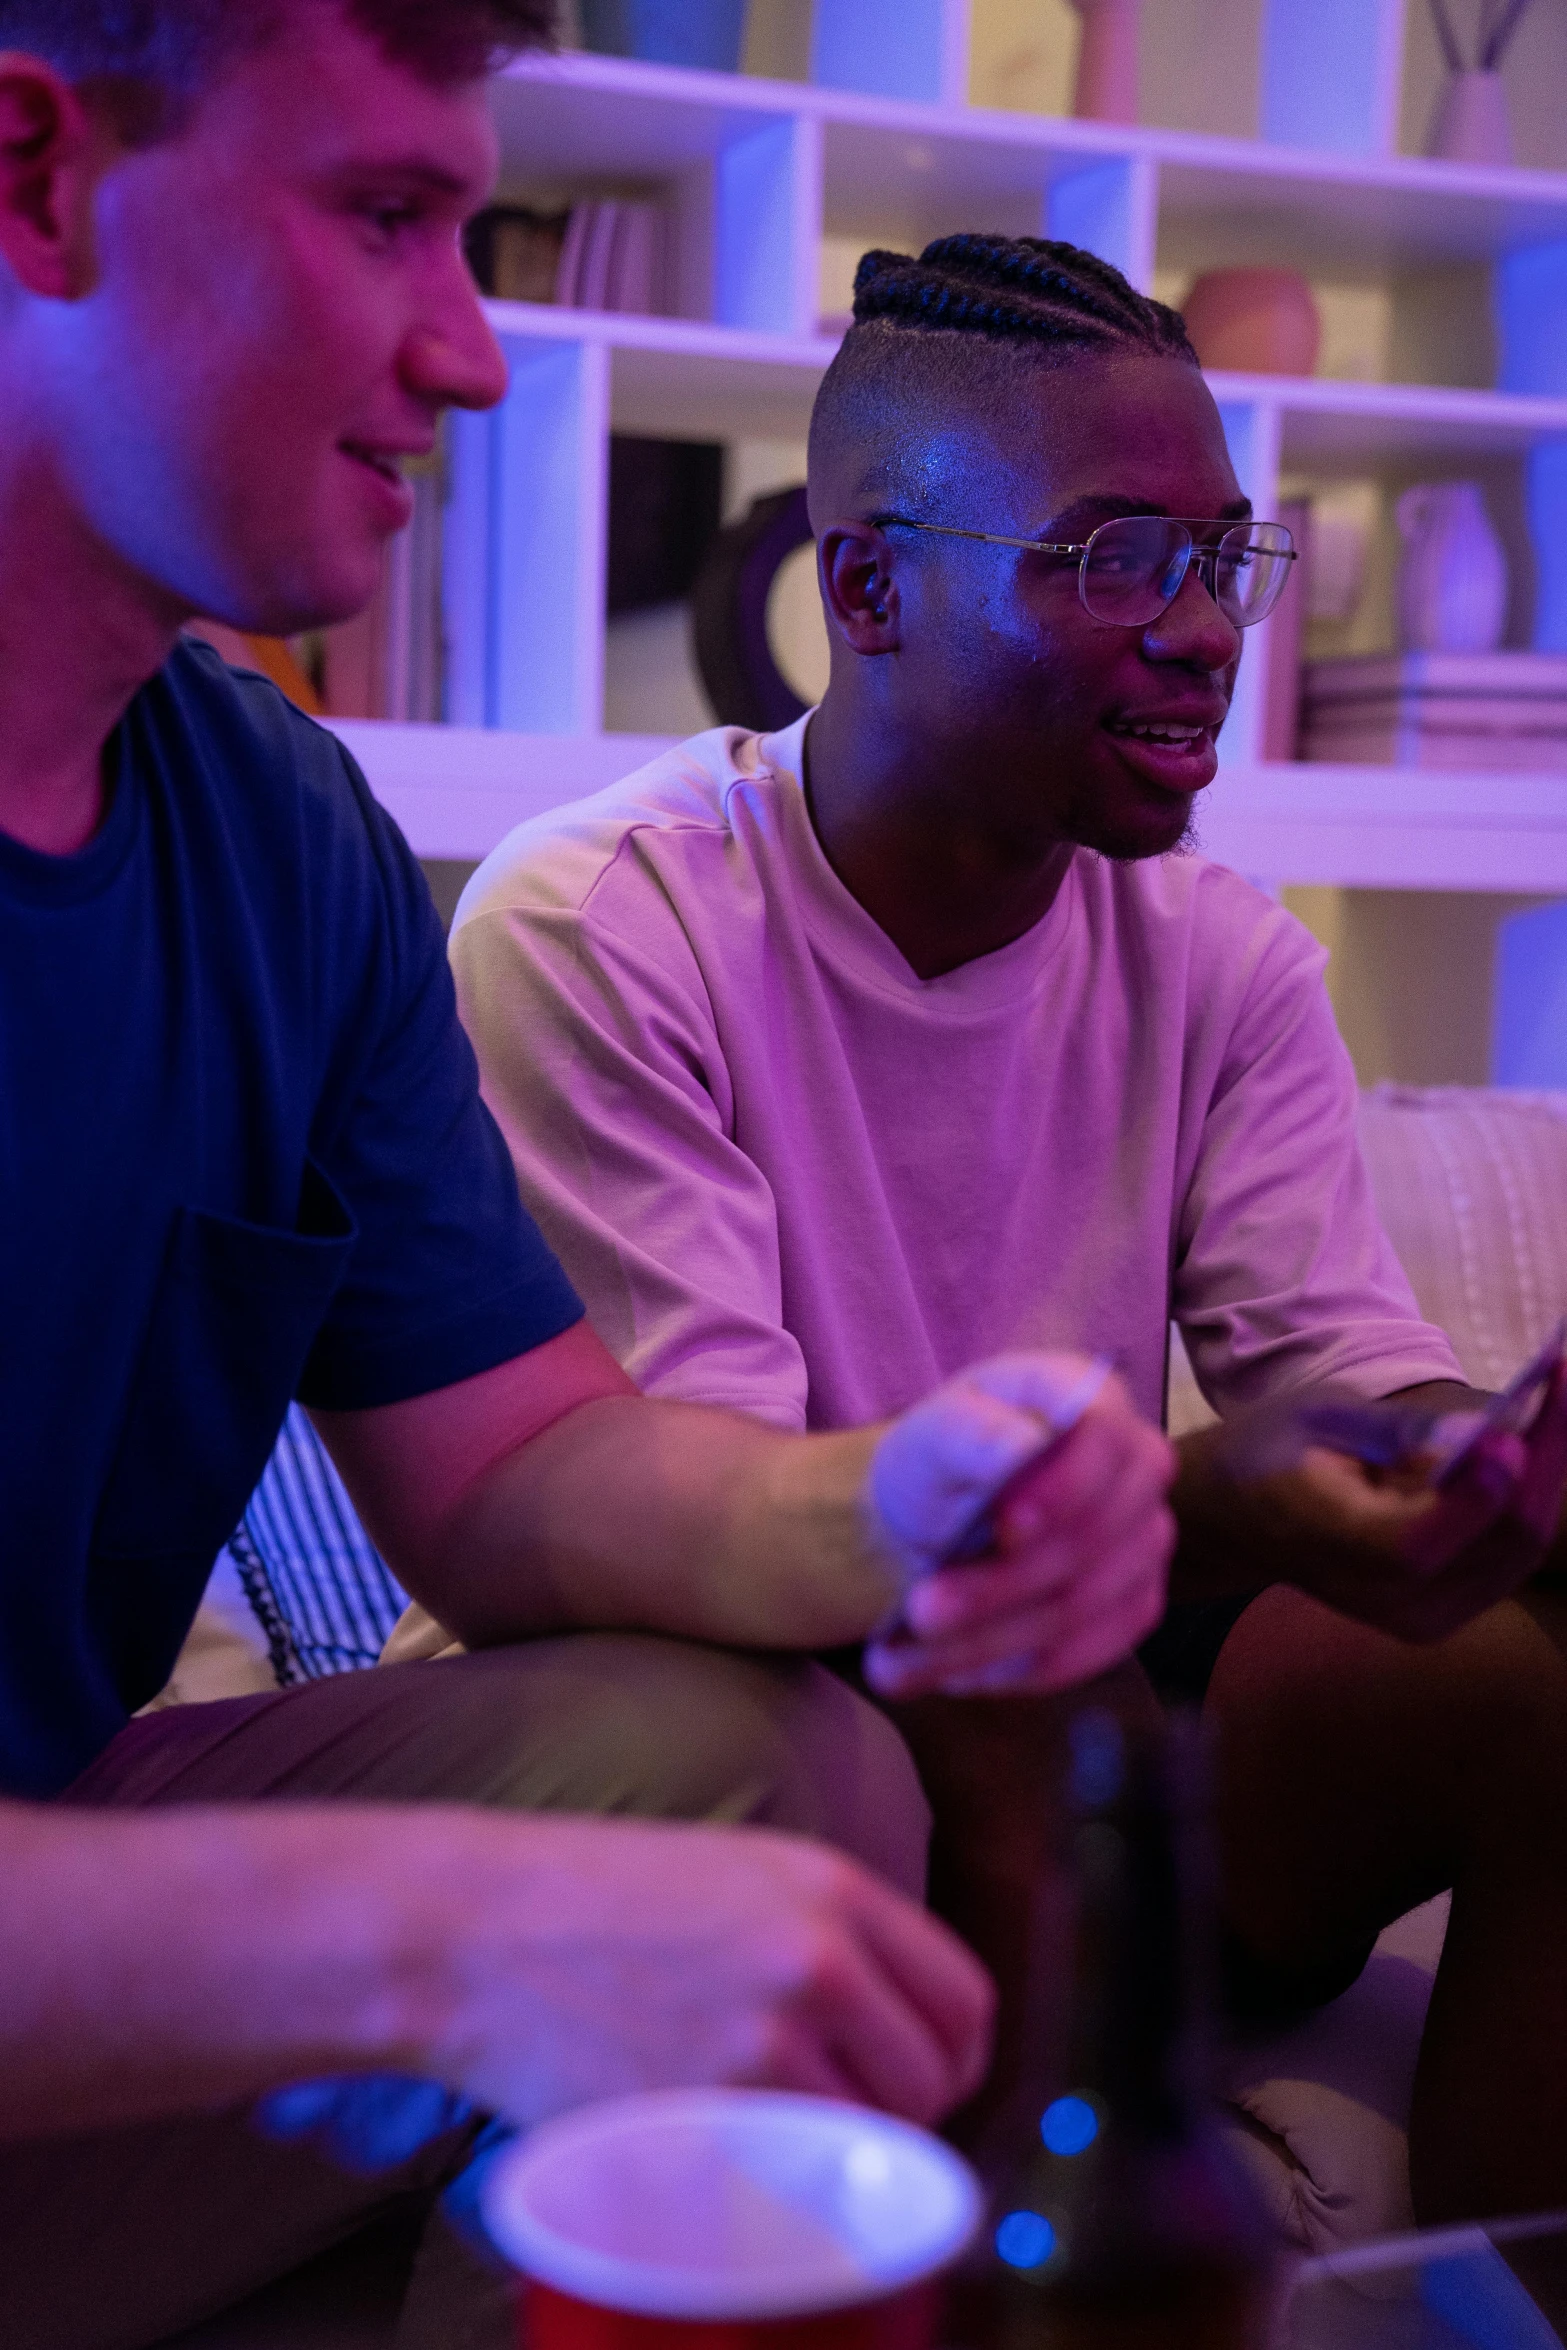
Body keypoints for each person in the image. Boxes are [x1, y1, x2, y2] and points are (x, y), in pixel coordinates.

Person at [0, 18, 1190, 2345]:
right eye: (378, 217)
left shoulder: (279, 832)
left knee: (774, 1766)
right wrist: (452, 1932)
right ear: (35, 177)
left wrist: (903, 1498)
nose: (467, 351)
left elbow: (522, 1464)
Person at [438, 232, 1567, 2226]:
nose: (1208, 627)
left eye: (1227, 557)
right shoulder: (607, 921)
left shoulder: (1223, 955)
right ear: (867, 587)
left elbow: (1346, 1397)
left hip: (1110, 1712)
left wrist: (1472, 1460)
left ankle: (1500, 2288)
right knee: (993, 1680)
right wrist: (1214, 1504)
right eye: (1120, 551)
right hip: (778, 1724)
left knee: (1516, 1668)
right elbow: (736, 1532)